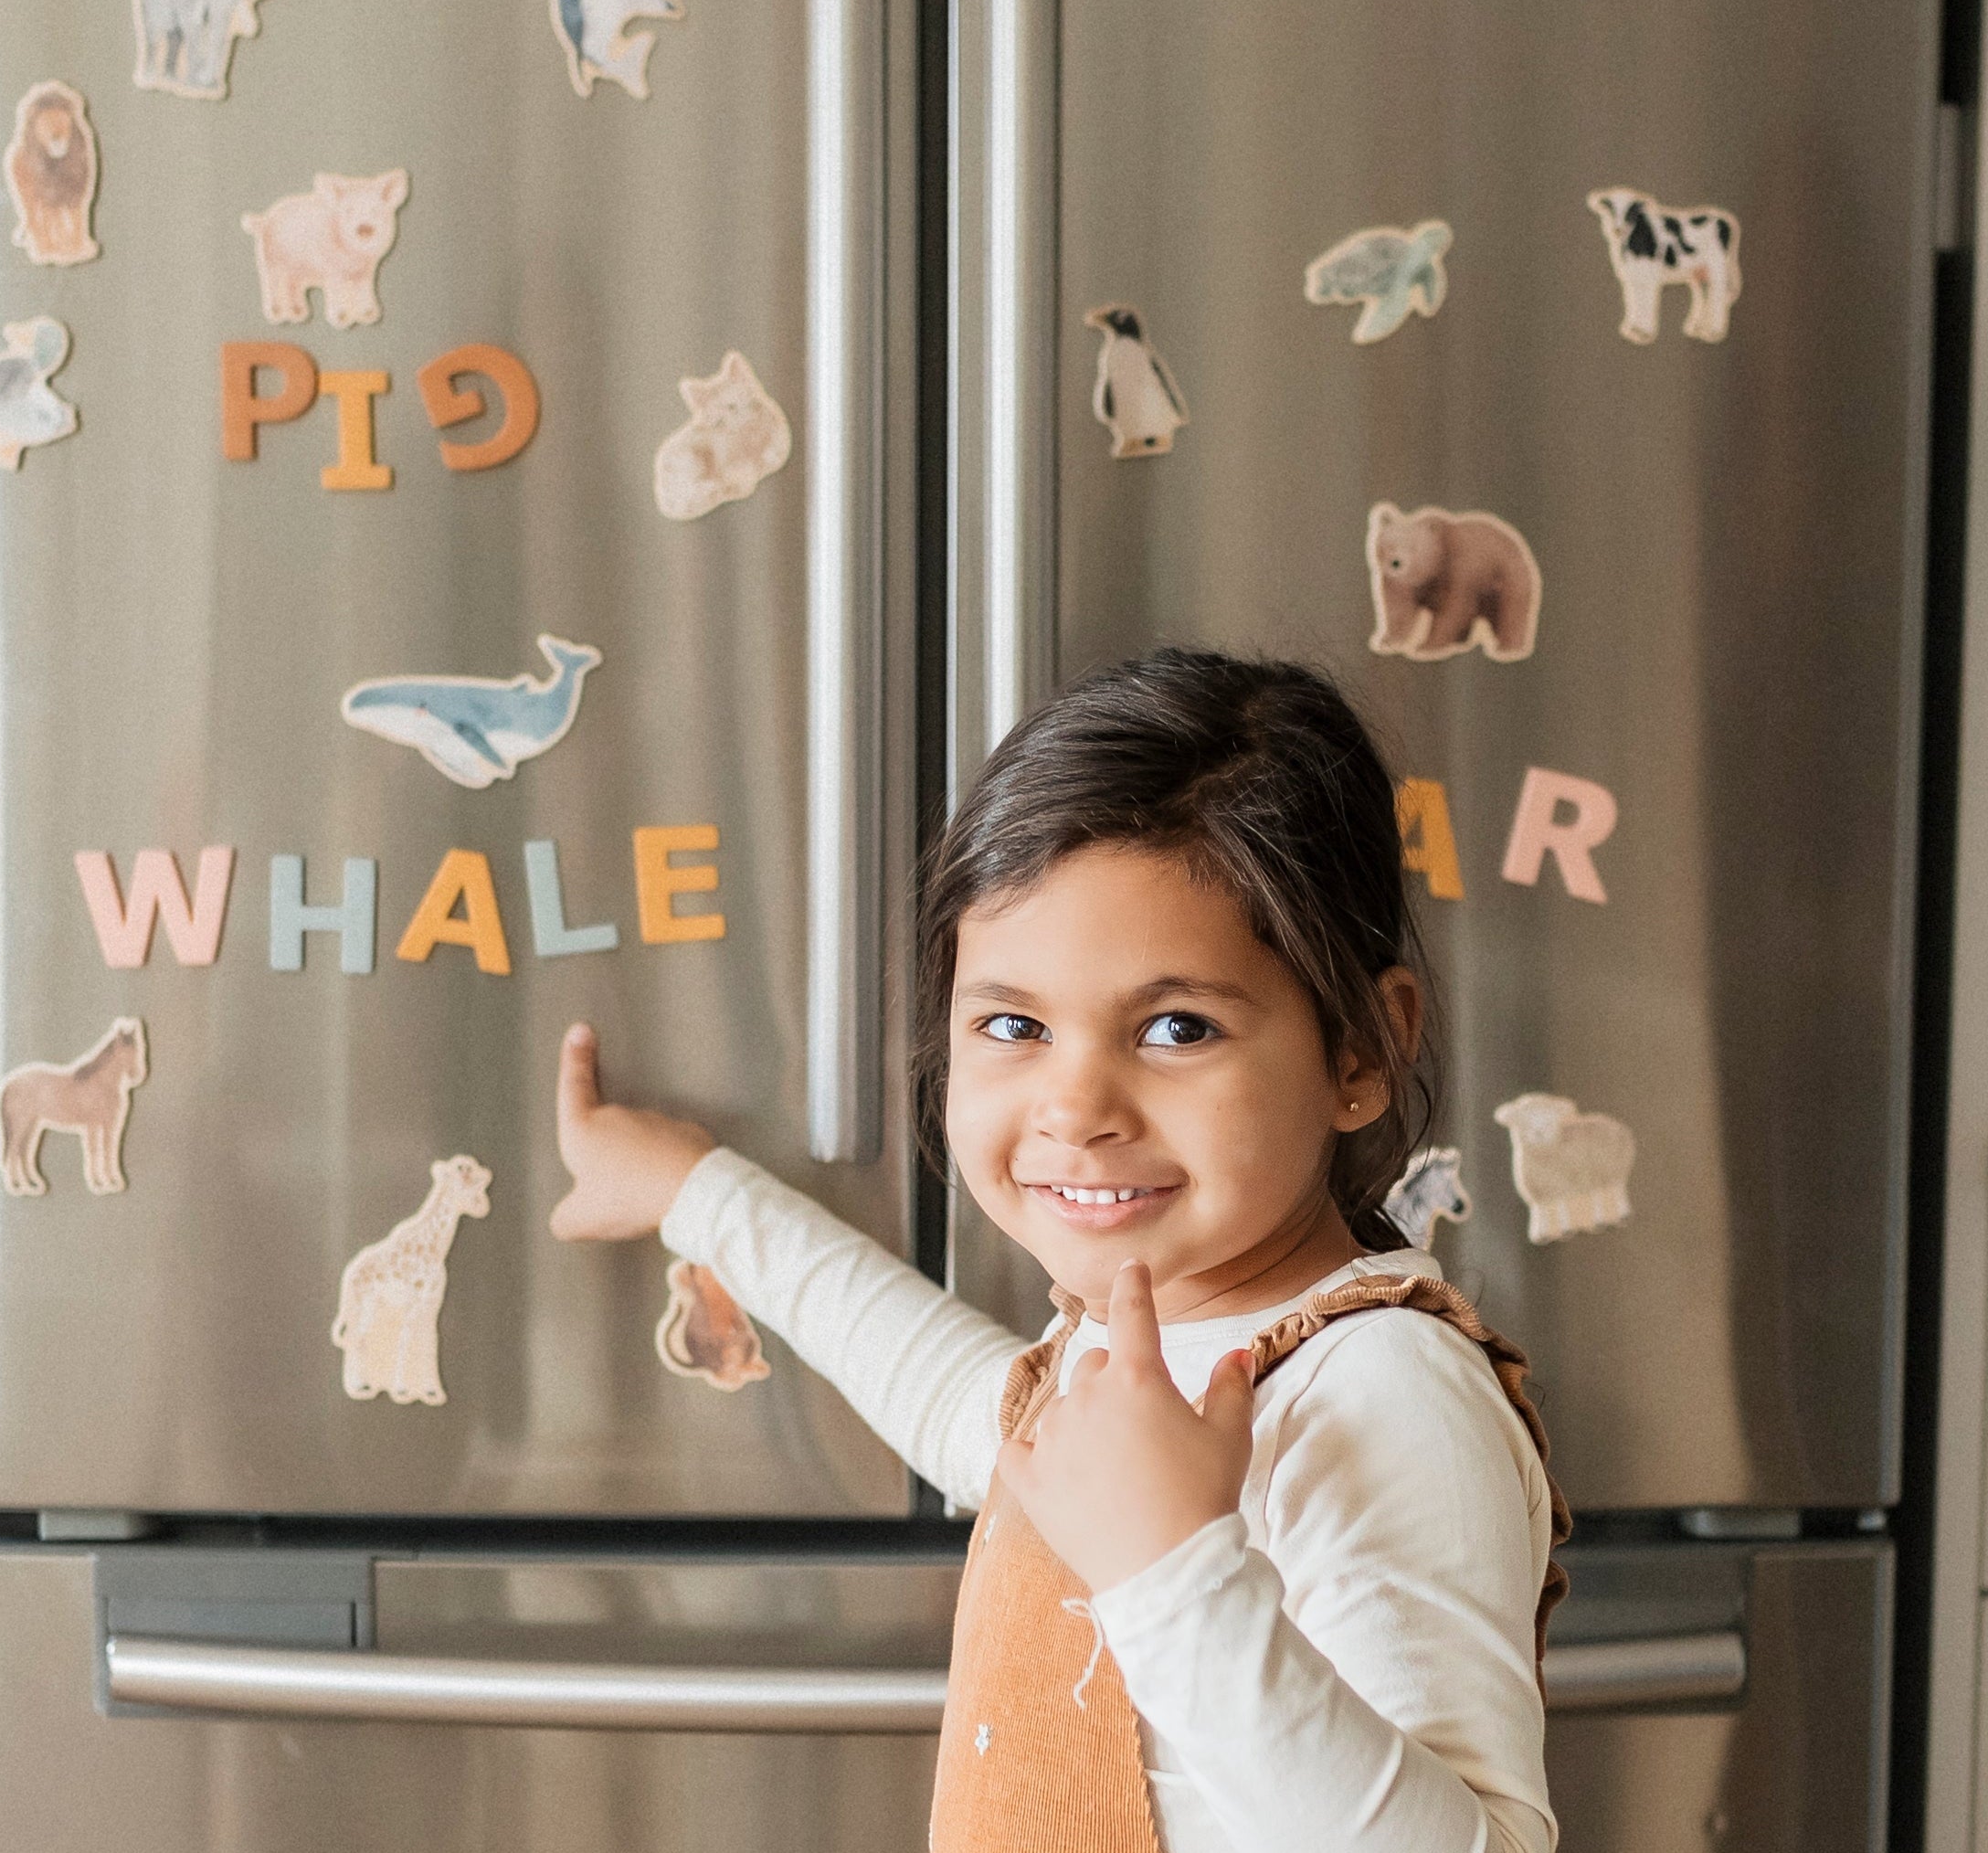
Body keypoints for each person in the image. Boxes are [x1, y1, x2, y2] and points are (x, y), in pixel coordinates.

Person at [549, 647, 1568, 1853]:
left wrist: (1173, 1568)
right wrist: (697, 1191)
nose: (1076, 1104)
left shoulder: (1382, 1397)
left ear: (1360, 1050)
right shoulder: (1127, 1336)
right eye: (1013, 1023)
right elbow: (943, 1390)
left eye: (1176, 1025)